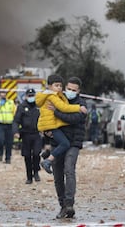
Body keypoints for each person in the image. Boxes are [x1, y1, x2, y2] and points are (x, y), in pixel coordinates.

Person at [47, 76, 87, 219]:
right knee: (57, 176)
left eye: (73, 90)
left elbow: (73, 119)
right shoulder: (57, 99)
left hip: (73, 144)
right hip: (57, 144)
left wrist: (56, 112)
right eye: (68, 89)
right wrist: (47, 133)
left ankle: (69, 204)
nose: (70, 91)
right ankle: (63, 206)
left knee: (69, 170)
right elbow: (47, 119)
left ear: (78, 91)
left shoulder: (82, 104)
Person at [36, 74, 87, 174]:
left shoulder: (48, 95)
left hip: (50, 126)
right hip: (51, 126)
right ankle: (48, 160)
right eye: (56, 85)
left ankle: (47, 155)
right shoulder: (52, 96)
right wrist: (78, 108)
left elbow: (71, 118)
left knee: (67, 168)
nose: (59, 88)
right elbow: (64, 108)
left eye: (60, 86)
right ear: (50, 86)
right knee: (65, 144)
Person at [13, 88, 42, 184]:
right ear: (25, 96)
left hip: (37, 134)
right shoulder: (21, 107)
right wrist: (16, 132)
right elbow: (16, 121)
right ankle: (29, 177)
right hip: (25, 134)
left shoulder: (39, 106)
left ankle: (36, 171)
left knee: (37, 154)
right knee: (27, 156)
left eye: (32, 96)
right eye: (29, 96)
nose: (31, 98)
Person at [0, 91, 17, 163]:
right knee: (0, 140)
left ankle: (8, 158)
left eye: (4, 93)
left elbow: (15, 113)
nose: (3, 95)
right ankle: (0, 154)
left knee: (9, 142)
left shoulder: (11, 102)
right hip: (0, 124)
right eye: (1, 93)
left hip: (9, 124)